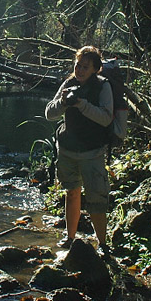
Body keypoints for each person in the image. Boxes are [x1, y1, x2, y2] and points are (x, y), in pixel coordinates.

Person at [45, 45, 113, 258]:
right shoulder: (68, 84)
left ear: (95, 69)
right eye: (77, 65)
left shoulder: (103, 87)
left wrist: (83, 105)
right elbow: (49, 113)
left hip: (92, 153)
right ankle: (70, 236)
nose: (80, 70)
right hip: (67, 150)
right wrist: (64, 103)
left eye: (85, 67)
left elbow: (106, 117)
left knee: (96, 199)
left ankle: (102, 243)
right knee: (71, 192)